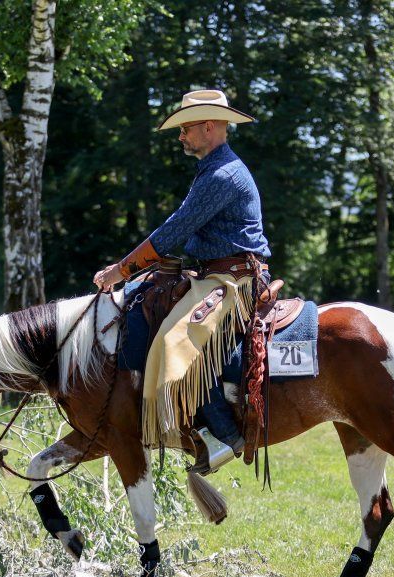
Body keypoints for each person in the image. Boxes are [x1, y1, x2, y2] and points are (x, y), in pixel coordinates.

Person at [93, 89, 270, 470]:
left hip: (234, 281)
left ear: (208, 127)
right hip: (217, 275)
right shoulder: (214, 169)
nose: (180, 136)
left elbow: (175, 229)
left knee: (177, 344)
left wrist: (121, 270)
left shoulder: (222, 175)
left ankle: (224, 437)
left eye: (185, 128)